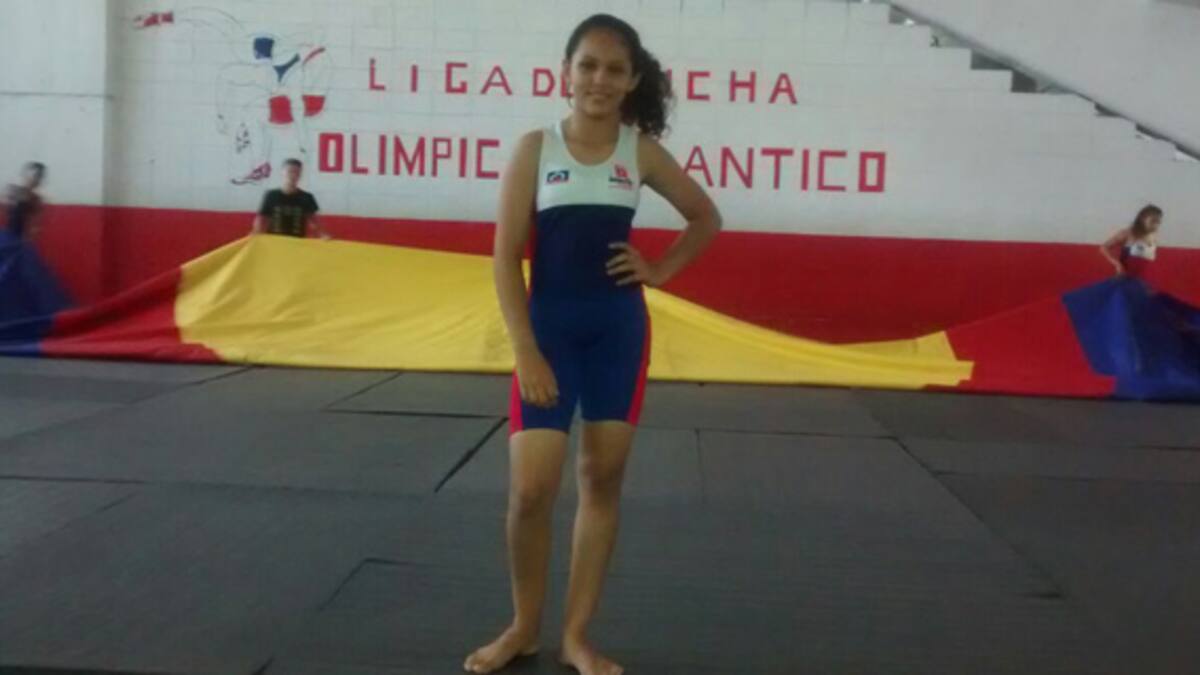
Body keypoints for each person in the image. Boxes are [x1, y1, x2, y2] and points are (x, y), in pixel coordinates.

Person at [465, 14, 721, 675]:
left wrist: (659, 270)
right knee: (531, 490)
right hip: (548, 334)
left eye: (613, 69)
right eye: (587, 65)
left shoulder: (640, 152)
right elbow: (504, 257)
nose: (598, 79)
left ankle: (576, 636)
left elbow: (705, 217)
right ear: (566, 72)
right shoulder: (535, 149)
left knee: (601, 480)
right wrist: (525, 349)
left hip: (616, 334)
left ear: (631, 80)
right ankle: (523, 627)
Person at [251, 158, 331, 239]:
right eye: (290, 171)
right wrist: (255, 234)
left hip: (297, 242)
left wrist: (323, 234)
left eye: (296, 172)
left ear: (300, 175)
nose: (293, 175)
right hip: (274, 242)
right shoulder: (271, 195)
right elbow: (261, 219)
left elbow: (315, 221)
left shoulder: (307, 197)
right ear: (282, 172)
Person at [1100, 204, 1162, 279]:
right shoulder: (1128, 233)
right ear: (1142, 218)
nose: (1155, 225)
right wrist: (1116, 263)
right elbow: (1104, 247)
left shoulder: (1153, 236)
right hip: (1125, 279)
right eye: (1152, 221)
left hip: (1144, 281)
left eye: (1158, 222)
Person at [2, 162, 47, 242]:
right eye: (33, 176)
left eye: (38, 178)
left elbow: (34, 225)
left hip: (19, 237)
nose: (35, 180)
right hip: (7, 234)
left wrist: (29, 238)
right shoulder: (13, 190)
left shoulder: (35, 199)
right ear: (25, 176)